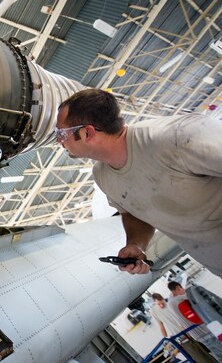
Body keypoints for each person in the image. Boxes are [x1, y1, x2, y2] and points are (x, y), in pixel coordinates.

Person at [56, 88, 222, 276]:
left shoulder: (177, 137)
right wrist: (136, 244)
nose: (58, 141)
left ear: (87, 133)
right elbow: (133, 213)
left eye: (61, 134)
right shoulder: (102, 175)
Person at [149, 292, 215, 362]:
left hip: (189, 331)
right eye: (159, 304)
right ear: (154, 303)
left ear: (163, 299)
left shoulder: (169, 304)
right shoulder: (154, 311)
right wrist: (165, 340)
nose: (161, 305)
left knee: (208, 349)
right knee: (197, 356)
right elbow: (161, 326)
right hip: (179, 336)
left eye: (162, 303)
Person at [168, 281, 222, 362]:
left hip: (197, 336)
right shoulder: (181, 298)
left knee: (218, 355)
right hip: (207, 331)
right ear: (178, 288)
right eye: (182, 288)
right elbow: (198, 300)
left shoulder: (170, 304)